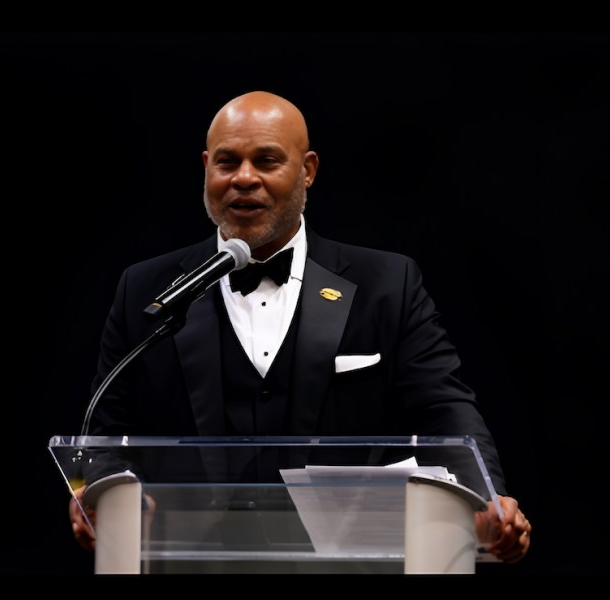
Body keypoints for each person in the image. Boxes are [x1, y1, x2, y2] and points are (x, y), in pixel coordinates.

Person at [69, 90, 532, 565]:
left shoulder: (387, 284)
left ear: (308, 170)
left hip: (350, 564)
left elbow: (444, 408)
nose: (244, 178)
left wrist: (486, 499)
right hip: (190, 559)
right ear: (206, 167)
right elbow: (110, 428)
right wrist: (103, 494)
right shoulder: (145, 287)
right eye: (227, 162)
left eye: (266, 160)